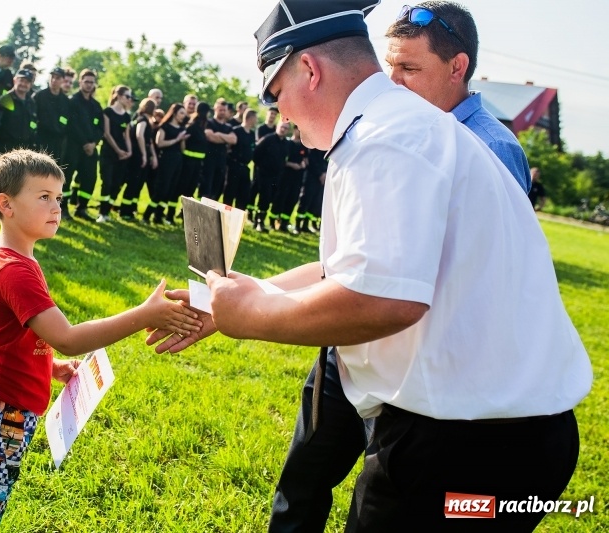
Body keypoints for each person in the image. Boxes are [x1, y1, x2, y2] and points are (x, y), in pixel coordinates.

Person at [147, 1, 592, 531]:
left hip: (461, 445)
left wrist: (253, 318)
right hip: (497, 434)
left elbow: (385, 298)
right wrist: (245, 298)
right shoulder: (390, 126)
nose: (279, 114)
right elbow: (352, 267)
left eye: (274, 93)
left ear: (309, 70)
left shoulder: (387, 138)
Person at [0, 149, 201, 533]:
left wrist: (48, 365)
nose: (56, 206)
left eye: (59, 197)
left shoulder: (18, 259)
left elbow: (16, 336)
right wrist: (144, 315)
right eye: (43, 197)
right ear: (5, 204)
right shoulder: (14, 270)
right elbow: (69, 338)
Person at [385, 1, 531, 193]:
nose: (392, 81)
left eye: (409, 68)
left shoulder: (493, 148)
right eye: (390, 66)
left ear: (457, 67)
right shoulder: (402, 129)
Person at [0, 69, 38, 226]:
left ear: (31, 84)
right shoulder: (5, 99)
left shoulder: (31, 103)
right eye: (21, 80)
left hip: (23, 150)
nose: (23, 84)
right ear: (14, 80)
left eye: (27, 81)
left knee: (18, 184)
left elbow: (33, 125)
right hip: (3, 147)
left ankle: (11, 216)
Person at [65, 69, 103, 221]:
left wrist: (94, 143)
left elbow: (100, 128)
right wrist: (84, 143)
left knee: (90, 178)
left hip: (91, 149)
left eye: (91, 82)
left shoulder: (96, 105)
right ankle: (63, 209)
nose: (89, 85)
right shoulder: (72, 101)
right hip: (74, 147)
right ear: (80, 82)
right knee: (67, 178)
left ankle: (82, 208)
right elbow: (72, 125)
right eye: (86, 81)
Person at [142, 103, 187, 225]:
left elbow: (182, 149)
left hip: (178, 161)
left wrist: (182, 140)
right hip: (166, 160)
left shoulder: (182, 129)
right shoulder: (165, 127)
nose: (184, 116)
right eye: (181, 113)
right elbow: (159, 143)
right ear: (174, 113)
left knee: (171, 189)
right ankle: (146, 215)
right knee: (162, 188)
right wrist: (176, 139)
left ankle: (158, 216)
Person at [96, 85, 133, 223]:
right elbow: (107, 133)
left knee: (116, 184)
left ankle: (107, 210)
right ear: (118, 96)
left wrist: (129, 151)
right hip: (109, 152)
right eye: (127, 96)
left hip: (123, 155)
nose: (129, 99)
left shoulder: (127, 116)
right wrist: (118, 150)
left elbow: (127, 136)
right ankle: (102, 213)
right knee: (107, 181)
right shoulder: (107, 112)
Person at [121, 97, 158, 221]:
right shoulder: (143, 120)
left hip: (140, 154)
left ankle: (130, 210)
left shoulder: (139, 118)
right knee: (133, 184)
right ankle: (125, 211)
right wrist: (144, 154)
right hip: (138, 155)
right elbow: (140, 135)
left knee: (138, 184)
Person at [252, 122, 290, 232]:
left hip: (277, 176)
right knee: (265, 197)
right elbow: (256, 154)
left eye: (286, 128)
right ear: (277, 127)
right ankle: (259, 222)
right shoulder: (268, 139)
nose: (283, 129)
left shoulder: (286, 144)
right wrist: (261, 167)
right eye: (282, 127)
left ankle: (260, 220)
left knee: (271, 198)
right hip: (264, 174)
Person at [271, 124, 308, 234]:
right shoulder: (288, 143)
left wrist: (303, 163)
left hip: (297, 178)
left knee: (292, 199)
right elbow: (281, 160)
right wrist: (291, 164)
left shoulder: (303, 146)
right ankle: (273, 220)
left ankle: (284, 223)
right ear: (294, 130)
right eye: (298, 129)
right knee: (280, 198)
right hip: (286, 176)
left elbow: (305, 159)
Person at [200, 98, 236, 200]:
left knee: (217, 187)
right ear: (215, 109)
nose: (223, 112)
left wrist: (219, 134)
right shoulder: (209, 123)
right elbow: (210, 137)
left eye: (224, 110)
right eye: (220, 110)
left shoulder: (228, 126)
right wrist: (225, 139)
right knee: (206, 187)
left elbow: (233, 140)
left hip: (221, 161)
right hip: (209, 160)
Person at [175, 101, 211, 202]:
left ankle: (184, 212)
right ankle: (172, 211)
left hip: (197, 163)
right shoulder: (193, 126)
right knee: (184, 187)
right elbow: (184, 141)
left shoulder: (201, 126)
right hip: (189, 162)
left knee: (191, 188)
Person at [223, 108, 257, 209]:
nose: (256, 121)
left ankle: (238, 217)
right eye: (255, 118)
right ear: (250, 118)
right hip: (234, 166)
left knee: (244, 193)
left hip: (245, 168)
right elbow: (228, 147)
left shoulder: (252, 134)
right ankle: (226, 214)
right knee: (230, 192)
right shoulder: (236, 130)